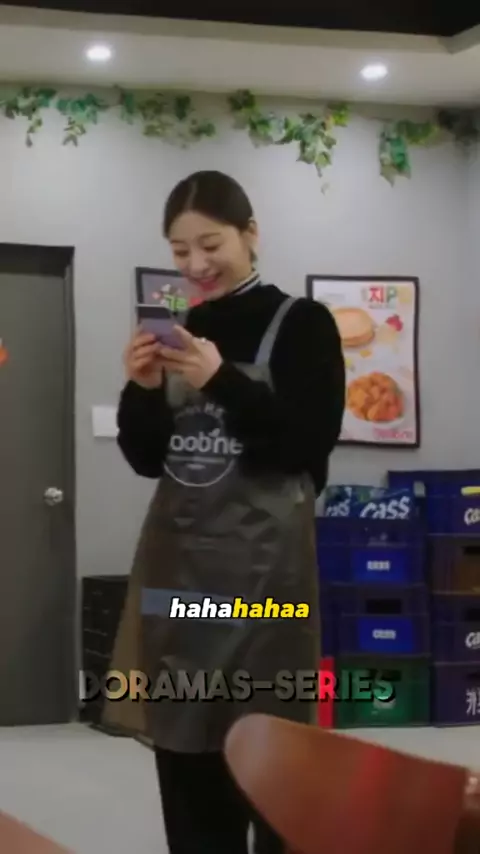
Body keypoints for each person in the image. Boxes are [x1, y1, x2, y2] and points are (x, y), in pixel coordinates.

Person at [116, 170, 345, 854]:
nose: (195, 265)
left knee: (273, 764)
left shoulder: (302, 323)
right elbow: (147, 458)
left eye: (210, 244)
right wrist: (143, 388)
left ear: (250, 234)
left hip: (267, 589)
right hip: (182, 587)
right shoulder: (180, 327)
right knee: (188, 764)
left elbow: (304, 443)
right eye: (179, 250)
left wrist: (221, 380)